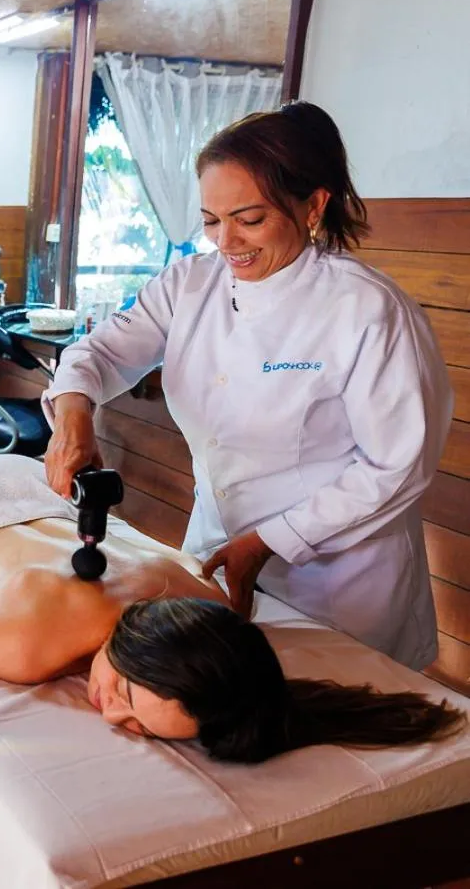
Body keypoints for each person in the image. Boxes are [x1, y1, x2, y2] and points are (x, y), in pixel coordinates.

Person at [42, 102, 452, 670]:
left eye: (249, 219)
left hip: (338, 580)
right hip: (217, 547)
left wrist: (268, 542)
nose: (226, 241)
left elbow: (395, 466)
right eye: (211, 220)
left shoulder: (367, 310)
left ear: (312, 205)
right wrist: (73, 415)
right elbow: (101, 351)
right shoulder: (190, 284)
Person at [0, 420, 463, 763]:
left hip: (25, 488)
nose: (111, 713)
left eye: (136, 726)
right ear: (145, 653)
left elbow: (234, 616)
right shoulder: (34, 644)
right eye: (126, 694)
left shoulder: (200, 610)